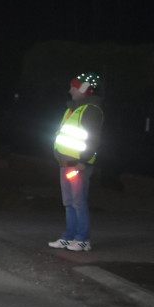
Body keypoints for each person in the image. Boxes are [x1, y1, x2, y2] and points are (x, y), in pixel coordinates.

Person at [49, 71, 104, 252]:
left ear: (85, 89)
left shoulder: (91, 110)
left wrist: (84, 162)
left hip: (78, 165)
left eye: (74, 85)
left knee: (78, 202)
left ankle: (82, 239)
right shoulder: (72, 109)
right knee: (70, 202)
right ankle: (69, 236)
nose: (70, 89)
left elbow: (94, 139)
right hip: (66, 163)